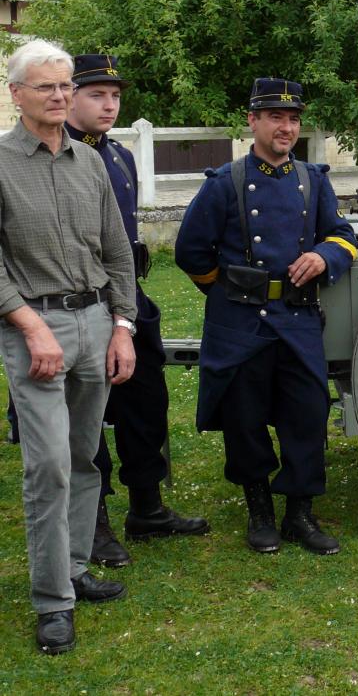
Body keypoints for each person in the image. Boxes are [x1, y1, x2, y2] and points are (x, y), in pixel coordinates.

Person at [175, 78, 356, 555]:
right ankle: (259, 510)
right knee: (244, 416)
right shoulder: (225, 183)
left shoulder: (313, 179)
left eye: (294, 119)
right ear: (253, 121)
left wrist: (323, 257)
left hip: (297, 318)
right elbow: (191, 251)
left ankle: (300, 513)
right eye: (276, 117)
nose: (286, 127)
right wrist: (231, 290)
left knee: (308, 415)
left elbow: (341, 234)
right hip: (241, 322)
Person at [1, 40, 137, 654]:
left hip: (95, 326)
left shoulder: (90, 164)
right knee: (49, 464)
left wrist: (123, 327)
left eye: (64, 87)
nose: (59, 96)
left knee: (84, 458)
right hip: (34, 330)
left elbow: (117, 252)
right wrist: (31, 328)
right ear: (16, 95)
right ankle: (53, 600)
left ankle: (77, 566)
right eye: (46, 88)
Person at [62, 55, 209, 568]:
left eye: (115, 95)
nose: (108, 104)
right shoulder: (56, 156)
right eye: (96, 94)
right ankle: (94, 521)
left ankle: (147, 508)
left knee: (147, 404)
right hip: (80, 303)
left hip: (129, 298)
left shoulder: (120, 157)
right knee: (88, 416)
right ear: (70, 96)